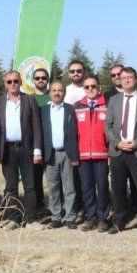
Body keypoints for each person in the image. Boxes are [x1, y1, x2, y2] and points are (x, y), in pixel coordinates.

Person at [105, 67, 137, 235]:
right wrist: (117, 143)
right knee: (118, 189)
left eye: (130, 77)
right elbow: (108, 125)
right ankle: (119, 221)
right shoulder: (114, 100)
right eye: (123, 77)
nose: (126, 80)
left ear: (136, 79)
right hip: (118, 152)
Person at [0, 71, 43, 230]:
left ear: (21, 82)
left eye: (16, 81)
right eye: (9, 81)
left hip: (26, 148)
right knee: (11, 186)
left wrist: (37, 150)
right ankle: (13, 219)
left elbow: (37, 126)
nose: (13, 84)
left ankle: (31, 219)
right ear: (5, 84)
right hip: (7, 149)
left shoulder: (29, 100)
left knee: (30, 185)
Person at [74, 76, 111, 232]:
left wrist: (110, 153)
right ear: (84, 89)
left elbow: (111, 130)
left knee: (102, 187)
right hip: (83, 156)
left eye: (93, 86)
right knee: (87, 188)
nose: (90, 89)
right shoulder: (77, 106)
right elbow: (73, 132)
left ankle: (103, 219)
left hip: (101, 154)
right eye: (87, 86)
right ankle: (91, 217)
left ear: (99, 87)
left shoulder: (107, 105)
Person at [41, 81, 79, 229]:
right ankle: (56, 217)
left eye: (60, 90)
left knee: (69, 188)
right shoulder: (43, 111)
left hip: (67, 154)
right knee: (53, 188)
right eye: (54, 90)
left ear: (64, 92)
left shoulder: (70, 109)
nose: (57, 93)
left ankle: (70, 217)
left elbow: (75, 133)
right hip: (50, 154)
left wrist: (74, 155)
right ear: (50, 92)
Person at [31, 67, 51, 217]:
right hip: (35, 146)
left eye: (43, 78)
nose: (40, 80)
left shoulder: (54, 96)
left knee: (55, 179)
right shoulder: (28, 99)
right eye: (37, 78)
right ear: (33, 81)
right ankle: (38, 207)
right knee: (35, 179)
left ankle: (57, 207)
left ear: (48, 80)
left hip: (52, 145)